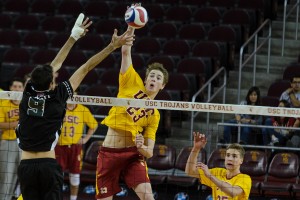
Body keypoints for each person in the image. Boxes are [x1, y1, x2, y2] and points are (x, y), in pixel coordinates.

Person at [16, 13, 134, 200]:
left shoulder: (27, 92)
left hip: (26, 167)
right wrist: (112, 46)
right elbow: (86, 67)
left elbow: (52, 67)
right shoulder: (59, 96)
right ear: (51, 84)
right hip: (47, 165)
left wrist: (72, 37)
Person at [96, 18, 169, 200]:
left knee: (147, 197)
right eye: (151, 75)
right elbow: (126, 51)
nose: (154, 78)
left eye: (158, 77)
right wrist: (132, 25)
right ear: (145, 80)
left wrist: (141, 146)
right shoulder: (131, 82)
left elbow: (149, 152)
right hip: (109, 153)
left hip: (132, 155)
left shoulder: (155, 113)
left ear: (162, 85)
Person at [55, 91, 98, 200]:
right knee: (57, 177)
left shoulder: (82, 109)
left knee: (75, 176)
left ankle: (73, 199)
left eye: (74, 95)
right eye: (70, 95)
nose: (72, 97)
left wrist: (85, 139)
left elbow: (94, 125)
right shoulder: (59, 108)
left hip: (75, 147)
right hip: (60, 147)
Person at [185, 132, 252, 200]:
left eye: (234, 156)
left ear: (241, 160)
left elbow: (232, 193)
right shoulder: (218, 172)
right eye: (228, 155)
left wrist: (210, 176)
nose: (230, 159)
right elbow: (190, 171)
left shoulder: (245, 178)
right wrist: (196, 148)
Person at [0, 77, 24, 200]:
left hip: (25, 145)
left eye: (19, 87)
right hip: (8, 142)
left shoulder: (27, 104)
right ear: (10, 88)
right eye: (14, 86)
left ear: (23, 89)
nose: (17, 89)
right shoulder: (3, 104)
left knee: (23, 176)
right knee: (7, 177)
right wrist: (16, 124)